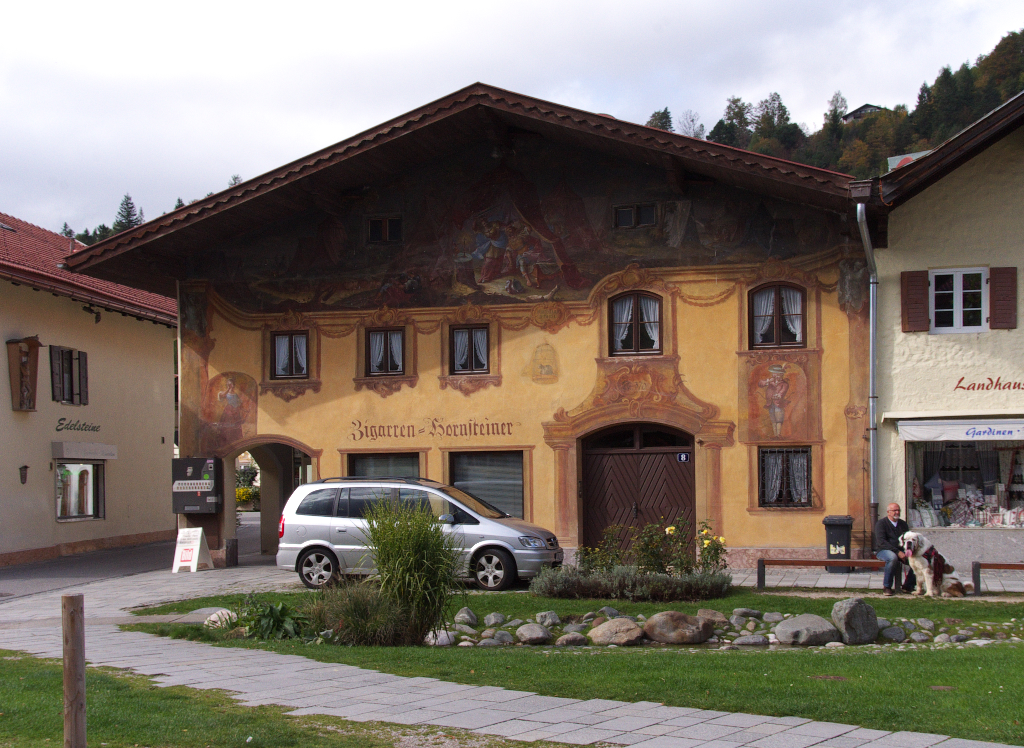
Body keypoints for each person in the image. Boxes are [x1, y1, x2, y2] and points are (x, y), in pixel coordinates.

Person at [874, 503, 916, 596]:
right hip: (883, 550)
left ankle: (908, 585)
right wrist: (897, 552)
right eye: (894, 511)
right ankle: (887, 587)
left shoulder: (903, 524)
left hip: (901, 550)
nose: (897, 512)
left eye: (898, 510)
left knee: (917, 559)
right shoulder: (881, 524)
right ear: (888, 512)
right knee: (892, 558)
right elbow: (882, 542)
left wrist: (907, 551)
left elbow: (907, 539)